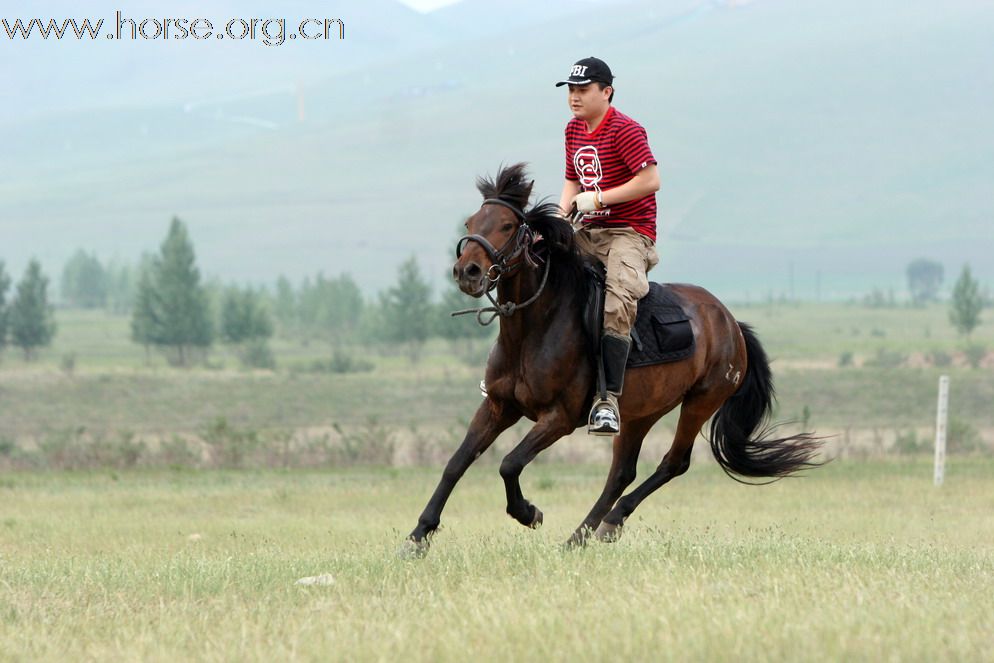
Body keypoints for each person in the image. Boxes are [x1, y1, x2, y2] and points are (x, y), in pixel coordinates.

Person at [555, 56, 660, 435]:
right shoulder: (573, 130)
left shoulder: (625, 130)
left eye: (582, 90)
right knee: (537, 266)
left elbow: (650, 180)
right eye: (571, 90)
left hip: (629, 233)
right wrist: (559, 215)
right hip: (588, 232)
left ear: (606, 92)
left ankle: (607, 401)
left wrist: (598, 199)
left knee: (616, 303)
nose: (574, 97)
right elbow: (571, 180)